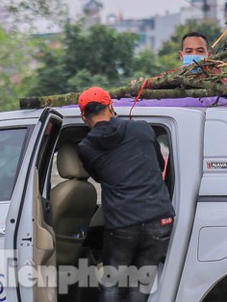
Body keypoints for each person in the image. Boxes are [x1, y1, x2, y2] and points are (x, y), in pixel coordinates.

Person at [76, 87, 175, 302]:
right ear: (111, 106)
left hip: (122, 223)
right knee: (141, 285)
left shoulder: (86, 147)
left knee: (112, 283)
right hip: (160, 219)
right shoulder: (142, 129)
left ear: (83, 117)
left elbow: (100, 176)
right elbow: (158, 166)